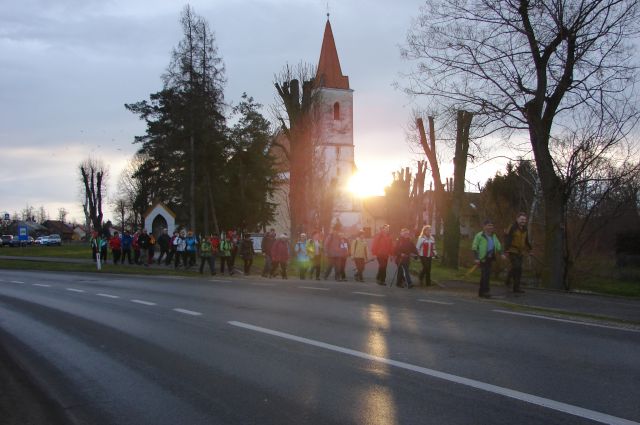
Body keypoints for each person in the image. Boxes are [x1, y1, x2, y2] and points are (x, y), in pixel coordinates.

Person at [472, 219, 505, 298]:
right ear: (484, 227)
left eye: (492, 225)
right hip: (482, 258)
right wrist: (476, 258)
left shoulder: (493, 236)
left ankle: (481, 292)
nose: (491, 227)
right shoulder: (479, 235)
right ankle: (485, 292)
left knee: (485, 275)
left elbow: (498, 245)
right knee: (485, 275)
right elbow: (474, 247)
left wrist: (501, 254)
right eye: (489, 225)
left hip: (489, 258)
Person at [504, 212, 532, 294]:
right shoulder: (512, 227)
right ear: (517, 219)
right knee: (517, 267)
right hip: (512, 250)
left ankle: (514, 285)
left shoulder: (525, 229)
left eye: (524, 219)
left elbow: (526, 240)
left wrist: (530, 249)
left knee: (518, 269)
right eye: (521, 219)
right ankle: (513, 285)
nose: (523, 221)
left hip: (520, 252)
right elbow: (507, 239)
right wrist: (506, 250)